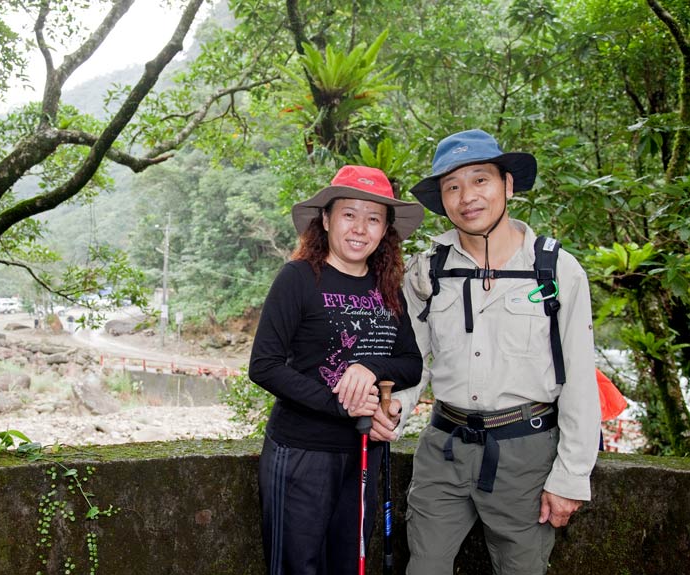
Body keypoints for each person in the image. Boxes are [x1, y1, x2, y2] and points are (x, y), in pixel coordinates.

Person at [395, 129, 601, 574]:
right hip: (444, 448)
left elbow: (580, 379)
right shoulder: (427, 271)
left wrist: (571, 475)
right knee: (424, 566)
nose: (467, 196)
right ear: (442, 200)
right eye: (452, 186)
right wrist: (393, 409)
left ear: (507, 185)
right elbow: (412, 360)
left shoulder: (555, 270)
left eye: (480, 180)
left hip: (526, 452)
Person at [249, 165, 425, 575]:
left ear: (385, 230)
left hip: (364, 453)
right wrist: (341, 405)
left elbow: (411, 364)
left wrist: (369, 368)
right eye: (349, 214)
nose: (360, 228)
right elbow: (264, 366)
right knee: (298, 567)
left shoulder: (386, 287)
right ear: (326, 220)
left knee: (350, 564)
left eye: (373, 218)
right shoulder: (298, 278)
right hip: (302, 453)